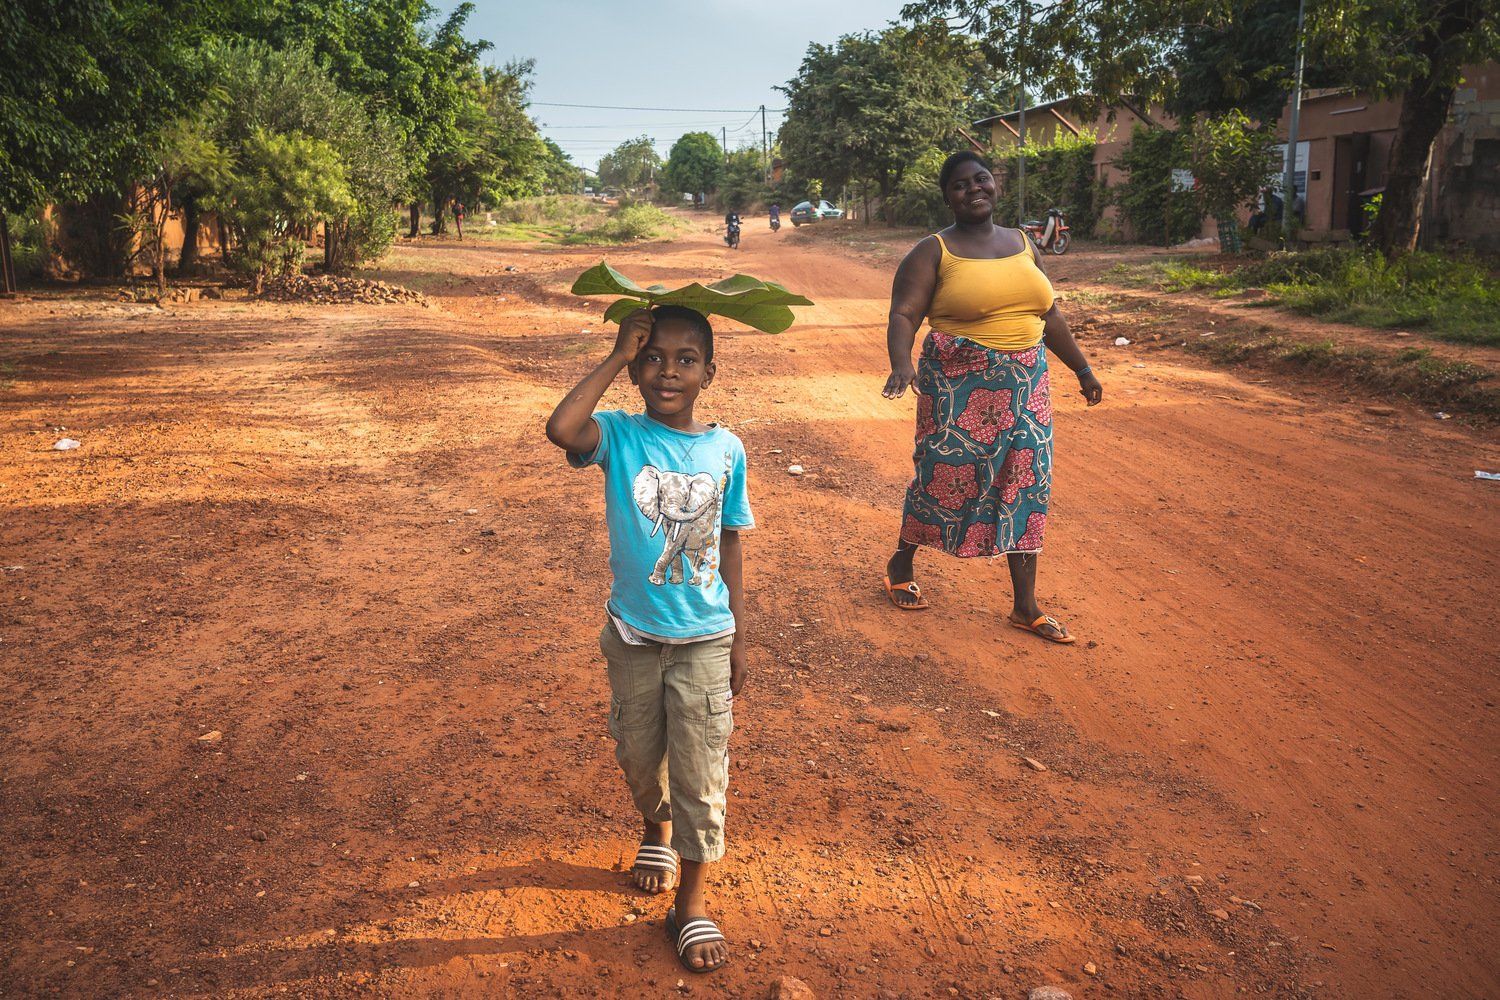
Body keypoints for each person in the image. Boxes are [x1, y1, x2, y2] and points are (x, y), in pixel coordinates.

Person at [545, 305, 753, 974]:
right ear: (635, 369)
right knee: (639, 756)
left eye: (685, 359)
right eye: (653, 357)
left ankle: (690, 905)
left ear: (709, 373)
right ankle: (654, 829)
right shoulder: (617, 436)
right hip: (633, 635)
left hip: (704, 638)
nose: (669, 370)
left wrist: (741, 638)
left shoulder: (727, 449)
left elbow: (729, 542)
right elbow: (561, 428)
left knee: (701, 773)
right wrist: (612, 355)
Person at [881, 150, 1102, 643]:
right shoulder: (932, 251)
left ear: (995, 184)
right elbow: (903, 315)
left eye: (981, 179)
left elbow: (1049, 315)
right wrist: (902, 361)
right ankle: (902, 559)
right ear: (948, 196)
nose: (973, 189)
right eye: (960, 185)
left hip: (1027, 384)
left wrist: (1083, 369)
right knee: (946, 478)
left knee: (1027, 482)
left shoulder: (1025, 243)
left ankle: (1025, 606)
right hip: (959, 384)